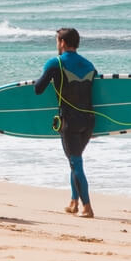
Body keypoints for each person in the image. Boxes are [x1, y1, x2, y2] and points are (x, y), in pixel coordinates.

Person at [33, 27, 97, 218]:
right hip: (89, 120)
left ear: (62, 42)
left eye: (57, 41)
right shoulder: (89, 64)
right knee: (74, 161)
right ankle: (73, 202)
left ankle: (87, 207)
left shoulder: (56, 63)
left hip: (70, 121)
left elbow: (38, 89)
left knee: (75, 162)